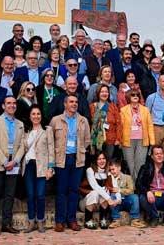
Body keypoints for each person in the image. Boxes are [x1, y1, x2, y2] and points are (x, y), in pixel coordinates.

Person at [50, 94, 91, 232]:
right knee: (61, 191)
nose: (74, 104)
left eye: (76, 102)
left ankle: (72, 220)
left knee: (74, 190)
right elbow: (51, 141)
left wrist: (80, 150)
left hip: (77, 159)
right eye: (71, 102)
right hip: (61, 159)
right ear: (65, 104)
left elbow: (87, 140)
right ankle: (60, 221)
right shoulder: (56, 120)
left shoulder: (83, 120)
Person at [0, 95, 25, 236]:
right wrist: (5, 162)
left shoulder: (20, 124)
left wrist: (15, 161)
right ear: (3, 106)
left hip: (13, 164)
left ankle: (6, 224)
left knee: (9, 195)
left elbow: (23, 145)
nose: (12, 105)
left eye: (14, 103)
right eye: (8, 103)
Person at [22, 105, 54, 233]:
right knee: (30, 195)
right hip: (28, 165)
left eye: (38, 114)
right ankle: (31, 221)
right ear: (30, 117)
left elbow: (51, 150)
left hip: (41, 166)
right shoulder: (26, 131)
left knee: (40, 195)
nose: (36, 116)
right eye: (33, 114)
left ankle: (40, 220)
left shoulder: (47, 130)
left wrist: (51, 168)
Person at [136, 145, 164, 227]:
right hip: (152, 198)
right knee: (142, 197)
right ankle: (154, 218)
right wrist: (147, 191)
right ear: (152, 156)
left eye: (161, 153)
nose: (159, 155)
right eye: (157, 154)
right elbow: (138, 184)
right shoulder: (145, 167)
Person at [120, 89, 154, 181]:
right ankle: (131, 187)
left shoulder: (145, 110)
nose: (135, 96)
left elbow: (150, 125)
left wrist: (152, 141)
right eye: (133, 95)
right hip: (127, 140)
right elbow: (120, 127)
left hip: (142, 140)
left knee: (140, 164)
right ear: (128, 97)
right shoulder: (123, 110)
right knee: (130, 165)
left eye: (137, 95)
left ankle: (139, 186)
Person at [145, 73, 164, 162]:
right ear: (158, 83)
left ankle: (163, 174)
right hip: (156, 128)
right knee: (154, 154)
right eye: (163, 81)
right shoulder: (152, 97)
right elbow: (146, 114)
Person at [107, 158, 146, 228]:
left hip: (126, 201)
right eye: (110, 170)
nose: (112, 172)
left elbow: (131, 190)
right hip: (116, 203)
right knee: (111, 196)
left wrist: (119, 190)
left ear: (119, 168)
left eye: (113, 169)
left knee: (134, 197)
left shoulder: (127, 177)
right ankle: (116, 220)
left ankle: (135, 220)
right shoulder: (109, 178)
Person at [81, 152, 115, 229]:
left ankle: (103, 219)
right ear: (95, 161)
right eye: (99, 159)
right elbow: (94, 186)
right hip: (86, 203)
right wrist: (109, 199)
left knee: (104, 189)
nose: (102, 161)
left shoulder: (107, 172)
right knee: (95, 192)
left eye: (103, 158)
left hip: (100, 204)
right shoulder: (90, 170)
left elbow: (112, 187)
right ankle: (88, 220)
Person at [89, 84, 121, 159]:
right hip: (96, 139)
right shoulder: (92, 107)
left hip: (110, 139)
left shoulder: (113, 107)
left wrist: (118, 139)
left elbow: (118, 124)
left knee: (109, 160)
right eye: (102, 92)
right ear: (98, 93)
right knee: (97, 160)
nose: (104, 94)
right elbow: (89, 123)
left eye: (106, 92)